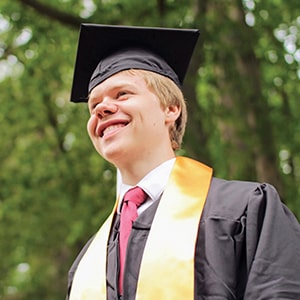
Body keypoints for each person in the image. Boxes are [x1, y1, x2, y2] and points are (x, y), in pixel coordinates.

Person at [66, 24, 300, 300]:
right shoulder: (87, 263)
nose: (101, 109)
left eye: (122, 94)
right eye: (94, 106)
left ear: (171, 109)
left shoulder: (244, 209)